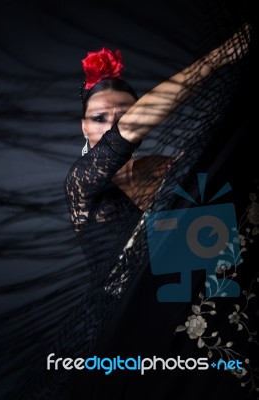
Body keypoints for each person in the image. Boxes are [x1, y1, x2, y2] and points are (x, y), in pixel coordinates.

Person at [64, 24, 251, 400]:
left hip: (183, 311)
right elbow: (131, 129)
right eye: (99, 118)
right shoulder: (81, 181)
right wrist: (223, 55)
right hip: (125, 324)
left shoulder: (165, 167)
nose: (113, 127)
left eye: (123, 116)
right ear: (83, 126)